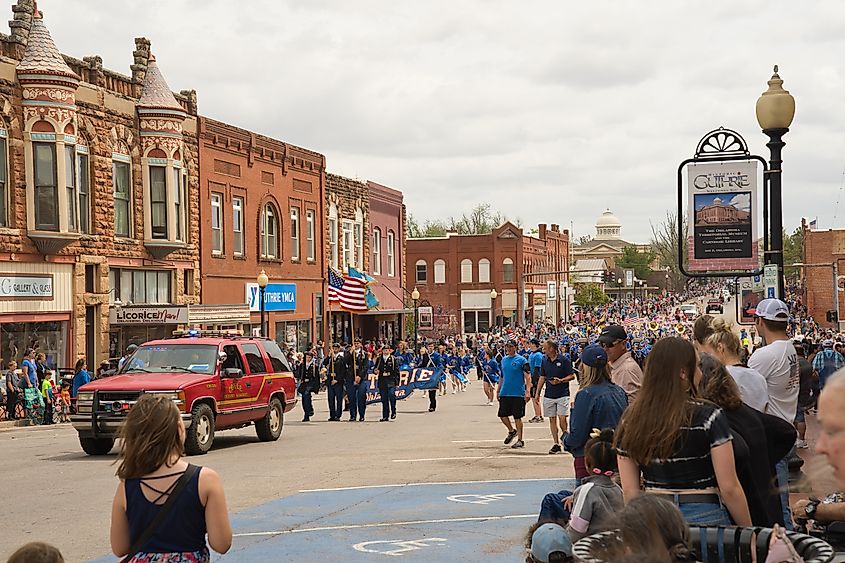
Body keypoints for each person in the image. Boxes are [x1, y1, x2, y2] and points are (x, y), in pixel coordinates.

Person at [615, 337, 752, 526]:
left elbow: (630, 491)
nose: (700, 374)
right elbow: (729, 487)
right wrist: (748, 534)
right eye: (696, 367)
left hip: (656, 516)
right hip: (705, 515)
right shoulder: (709, 415)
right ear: (683, 373)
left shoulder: (631, 418)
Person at [109, 394, 232, 562]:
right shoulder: (205, 480)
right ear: (178, 428)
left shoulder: (127, 486)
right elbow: (221, 543)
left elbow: (119, 547)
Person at [698, 353, 796, 526]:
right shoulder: (743, 411)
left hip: (747, 510)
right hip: (767, 505)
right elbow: (786, 431)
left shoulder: (716, 421)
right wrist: (764, 459)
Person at [748, 298, 800, 528]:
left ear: (760, 321)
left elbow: (742, 389)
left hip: (770, 438)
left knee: (777, 507)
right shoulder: (789, 347)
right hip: (785, 427)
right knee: (780, 501)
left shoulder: (764, 356)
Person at [538, 429, 624, 542]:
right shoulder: (617, 489)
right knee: (563, 495)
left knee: (550, 499)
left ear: (587, 463)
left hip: (592, 545)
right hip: (612, 540)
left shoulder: (587, 490)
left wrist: (561, 538)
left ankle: (543, 543)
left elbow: (576, 531)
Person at [564, 344, 627, 483]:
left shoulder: (586, 394)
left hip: (591, 460)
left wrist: (566, 441)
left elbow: (577, 435)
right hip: (616, 459)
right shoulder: (619, 392)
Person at [696, 316, 769, 412]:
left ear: (720, 348)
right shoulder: (759, 377)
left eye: (706, 353)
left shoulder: (719, 379)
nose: (703, 358)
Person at [536, 340, 575, 455]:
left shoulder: (564, 360)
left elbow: (572, 375)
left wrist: (561, 381)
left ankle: (565, 438)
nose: (544, 350)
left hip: (562, 393)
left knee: (562, 417)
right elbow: (542, 377)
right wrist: (537, 392)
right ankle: (556, 443)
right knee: (552, 419)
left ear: (552, 349)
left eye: (546, 348)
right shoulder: (544, 361)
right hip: (549, 394)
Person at [497, 339, 531, 449]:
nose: (509, 349)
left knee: (517, 417)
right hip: (505, 392)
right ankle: (512, 431)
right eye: (507, 346)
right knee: (502, 415)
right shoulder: (504, 360)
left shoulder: (522, 360)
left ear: (515, 347)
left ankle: (520, 440)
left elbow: (527, 376)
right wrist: (498, 390)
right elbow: (502, 376)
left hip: (517, 393)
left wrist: (528, 391)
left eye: (511, 346)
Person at [597, 325, 642, 400]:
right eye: (602, 344)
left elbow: (631, 407)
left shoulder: (627, 370)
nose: (605, 349)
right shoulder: (616, 366)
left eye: (609, 344)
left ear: (623, 344)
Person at [321, 343, 347, 422]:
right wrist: (329, 355)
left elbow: (343, 371)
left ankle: (338, 415)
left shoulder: (342, 358)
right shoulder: (330, 358)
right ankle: (332, 415)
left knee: (339, 399)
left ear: (339, 349)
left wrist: (337, 380)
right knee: (331, 399)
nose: (334, 350)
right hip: (330, 380)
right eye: (333, 348)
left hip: (338, 381)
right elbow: (324, 363)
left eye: (336, 348)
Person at [374, 343, 399, 421]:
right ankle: (385, 416)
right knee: (384, 399)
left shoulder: (393, 359)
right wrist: (375, 371)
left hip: (391, 380)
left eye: (387, 350)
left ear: (390, 351)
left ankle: (393, 411)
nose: (385, 352)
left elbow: (396, 371)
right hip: (382, 381)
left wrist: (397, 382)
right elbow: (375, 369)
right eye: (384, 350)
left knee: (392, 395)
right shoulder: (379, 359)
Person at [347, 341, 368, 422]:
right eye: (354, 343)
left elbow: (366, 366)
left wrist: (360, 376)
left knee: (361, 397)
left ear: (360, 344)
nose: (356, 345)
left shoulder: (364, 354)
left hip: (361, 379)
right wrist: (350, 352)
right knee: (351, 397)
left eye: (357, 343)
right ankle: (353, 415)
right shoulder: (349, 353)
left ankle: (362, 415)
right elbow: (345, 361)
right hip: (351, 378)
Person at [296, 351, 320, 422]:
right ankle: (308, 410)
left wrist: (317, 387)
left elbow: (316, 377)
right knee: (304, 399)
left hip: (310, 383)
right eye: (307, 357)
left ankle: (307, 413)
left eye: (309, 357)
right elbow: (299, 374)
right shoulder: (302, 365)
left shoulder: (314, 366)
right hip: (304, 383)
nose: (308, 359)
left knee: (306, 395)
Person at [528, 339, 545, 423]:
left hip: (536, 378)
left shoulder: (538, 355)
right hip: (531, 376)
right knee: (533, 397)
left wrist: (533, 381)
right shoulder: (531, 354)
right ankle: (537, 414)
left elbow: (537, 369)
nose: (529, 345)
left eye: (531, 344)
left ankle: (539, 416)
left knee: (535, 397)